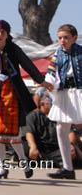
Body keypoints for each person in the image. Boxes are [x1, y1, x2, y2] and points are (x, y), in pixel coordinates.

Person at [0, 20, 43, 179]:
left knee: (14, 134)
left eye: (2, 32)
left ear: (7, 35)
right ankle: (2, 168)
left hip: (13, 95)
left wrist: (41, 80)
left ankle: (24, 163)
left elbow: (28, 65)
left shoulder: (14, 50)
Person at [41, 24, 82, 179]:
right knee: (60, 129)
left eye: (66, 37)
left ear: (74, 38)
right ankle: (67, 167)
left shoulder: (81, 52)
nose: (62, 41)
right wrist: (49, 83)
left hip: (80, 91)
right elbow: (51, 72)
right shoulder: (57, 54)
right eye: (60, 38)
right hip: (65, 92)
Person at [24, 93, 64, 168]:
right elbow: (29, 133)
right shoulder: (33, 116)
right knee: (25, 148)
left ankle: (53, 162)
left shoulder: (59, 116)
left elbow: (70, 133)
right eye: (51, 103)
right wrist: (33, 146)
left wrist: (70, 145)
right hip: (39, 149)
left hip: (55, 150)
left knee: (69, 151)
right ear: (42, 104)